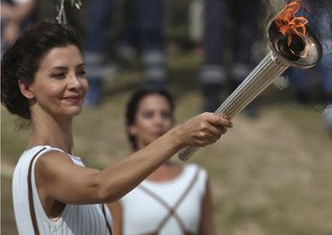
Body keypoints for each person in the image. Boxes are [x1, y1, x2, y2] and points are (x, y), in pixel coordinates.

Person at [0, 20, 232, 234]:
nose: (75, 83)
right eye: (59, 74)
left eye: (81, 72)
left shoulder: (67, 164)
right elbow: (102, 186)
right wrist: (179, 135)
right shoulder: (43, 163)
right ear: (27, 87)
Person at [109, 89, 216, 234]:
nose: (158, 121)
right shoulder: (117, 179)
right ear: (132, 126)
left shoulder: (196, 177)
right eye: (149, 115)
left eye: (165, 115)